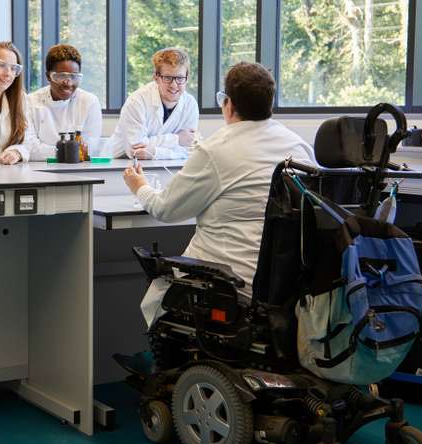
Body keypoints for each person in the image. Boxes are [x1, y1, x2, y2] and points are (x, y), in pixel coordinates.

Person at [122, 62, 316, 327]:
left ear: (228, 104)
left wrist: (139, 186)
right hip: (287, 284)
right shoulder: (298, 147)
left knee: (161, 291)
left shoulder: (215, 150)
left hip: (230, 280)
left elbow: (165, 209)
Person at [110, 47, 199, 160]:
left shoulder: (190, 105)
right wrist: (177, 139)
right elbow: (136, 149)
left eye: (180, 78)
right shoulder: (137, 101)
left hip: (170, 166)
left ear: (187, 78)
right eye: (167, 78)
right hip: (121, 164)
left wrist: (154, 152)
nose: (174, 85)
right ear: (156, 77)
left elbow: (189, 150)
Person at [24, 44, 102, 161]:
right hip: (39, 170)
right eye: (60, 76)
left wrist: (49, 150)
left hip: (79, 171)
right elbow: (29, 147)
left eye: (74, 77)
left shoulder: (89, 102)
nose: (68, 83)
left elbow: (91, 148)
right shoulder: (31, 101)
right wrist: (72, 151)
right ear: (48, 76)